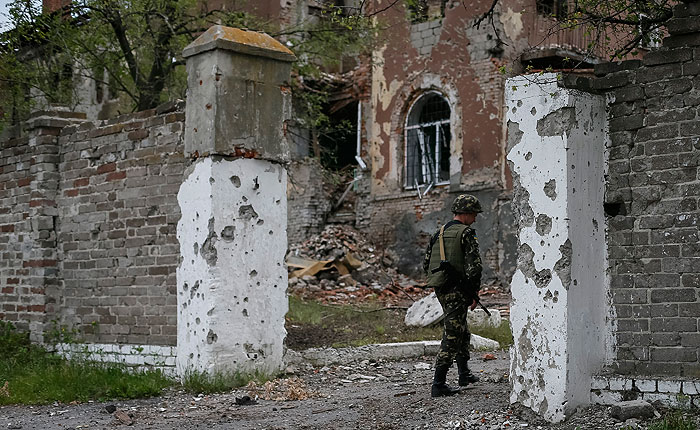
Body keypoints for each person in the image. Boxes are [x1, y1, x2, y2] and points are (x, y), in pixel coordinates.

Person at [423, 194, 483, 397]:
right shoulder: (466, 233)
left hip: (441, 287)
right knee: (453, 334)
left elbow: (427, 263)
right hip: (458, 290)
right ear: (466, 213)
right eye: (474, 214)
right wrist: (474, 292)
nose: (475, 218)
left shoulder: (438, 233)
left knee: (461, 329)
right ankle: (438, 384)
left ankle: (464, 374)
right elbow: (475, 267)